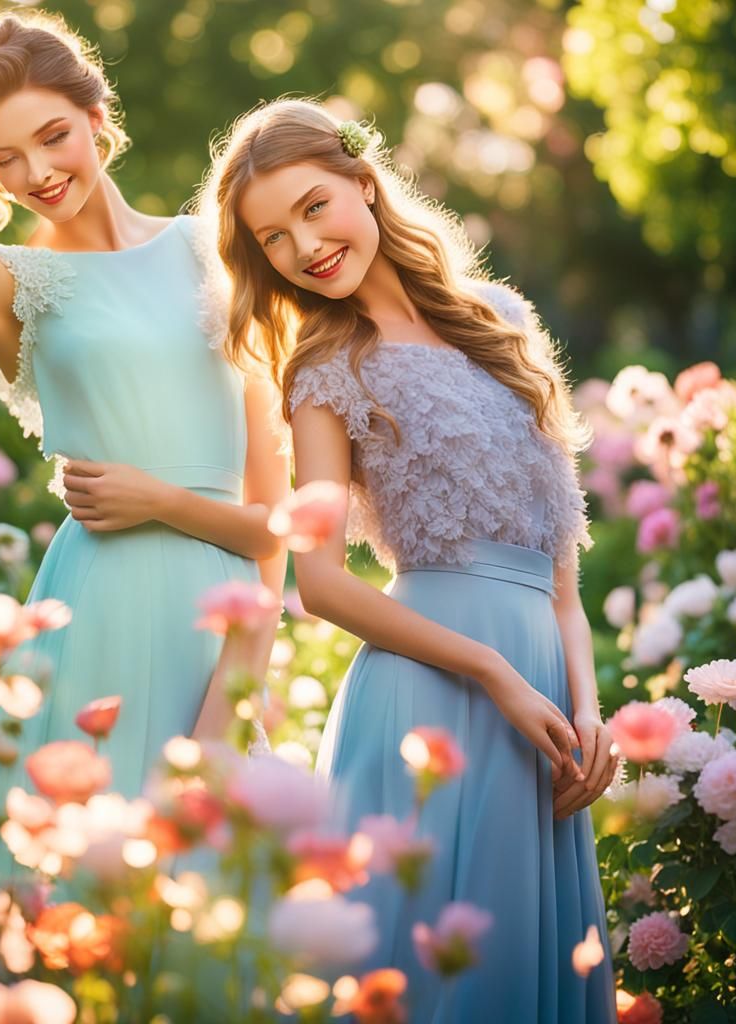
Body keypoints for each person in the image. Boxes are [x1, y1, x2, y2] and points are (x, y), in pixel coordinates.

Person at [203, 98, 618, 1022]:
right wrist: (491, 672)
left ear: (363, 183)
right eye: (273, 238)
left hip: (546, 701)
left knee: (521, 974)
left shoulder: (501, 321)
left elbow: (562, 575)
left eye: (314, 206)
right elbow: (320, 582)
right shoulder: (323, 372)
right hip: (430, 693)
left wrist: (588, 712)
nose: (304, 245)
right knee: (430, 984)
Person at [0, 12, 288, 899]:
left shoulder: (213, 250)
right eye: (5, 158)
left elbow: (274, 524)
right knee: (68, 904)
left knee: (210, 906)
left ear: (99, 117)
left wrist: (234, 693)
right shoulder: (12, 287)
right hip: (93, 613)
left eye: (54, 134)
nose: (36, 173)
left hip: (215, 625)